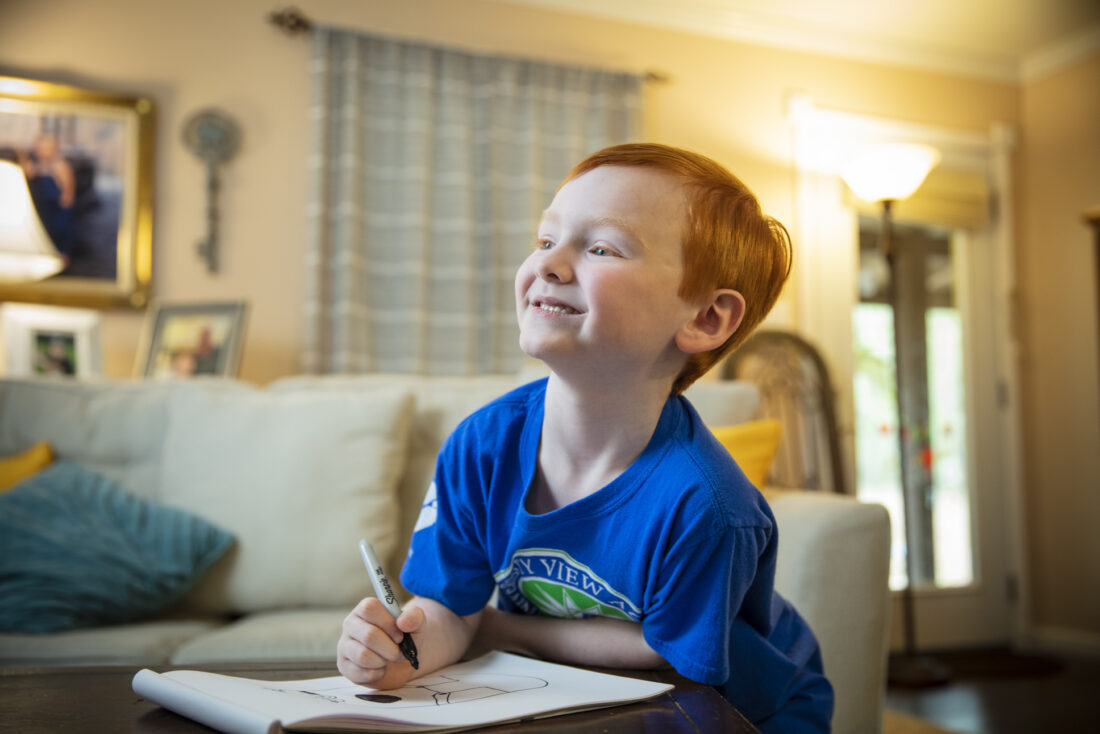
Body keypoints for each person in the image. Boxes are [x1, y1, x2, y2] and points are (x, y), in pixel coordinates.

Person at [336, 143, 834, 732]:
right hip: (592, 697)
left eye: (601, 247)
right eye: (546, 240)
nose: (549, 263)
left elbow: (665, 652)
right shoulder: (480, 448)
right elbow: (447, 610)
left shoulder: (710, 507)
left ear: (704, 319)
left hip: (750, 710)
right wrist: (399, 656)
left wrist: (493, 625)